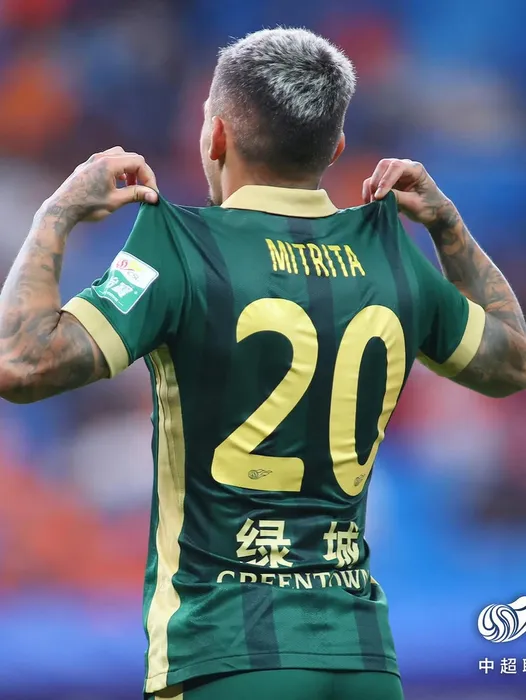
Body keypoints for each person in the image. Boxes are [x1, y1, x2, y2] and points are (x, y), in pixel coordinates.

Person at [1, 27, 525, 700]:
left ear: (216, 137)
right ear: (336, 148)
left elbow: (21, 363)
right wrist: (449, 229)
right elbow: (511, 362)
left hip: (228, 653)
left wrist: (55, 214)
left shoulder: (177, 245)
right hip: (363, 662)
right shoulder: (392, 253)